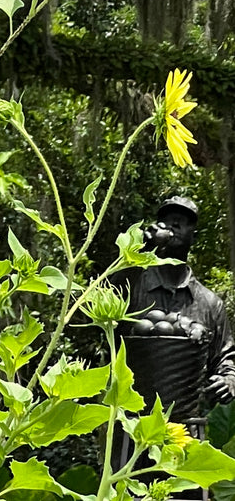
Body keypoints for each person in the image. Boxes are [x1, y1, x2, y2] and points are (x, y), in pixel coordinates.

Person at [113, 197, 235, 499]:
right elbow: (99, 302)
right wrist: (138, 251)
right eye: (168, 220)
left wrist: (230, 379)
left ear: (194, 233)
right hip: (132, 428)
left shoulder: (208, 304)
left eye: (183, 222)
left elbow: (227, 357)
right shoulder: (131, 286)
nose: (174, 226)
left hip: (186, 430)